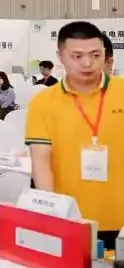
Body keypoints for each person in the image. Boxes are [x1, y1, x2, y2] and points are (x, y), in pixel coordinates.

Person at [26, 21, 123, 249]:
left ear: (105, 55)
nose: (87, 63)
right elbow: (41, 163)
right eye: (77, 56)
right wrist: (52, 216)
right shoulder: (43, 103)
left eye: (95, 55)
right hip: (71, 221)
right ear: (60, 56)